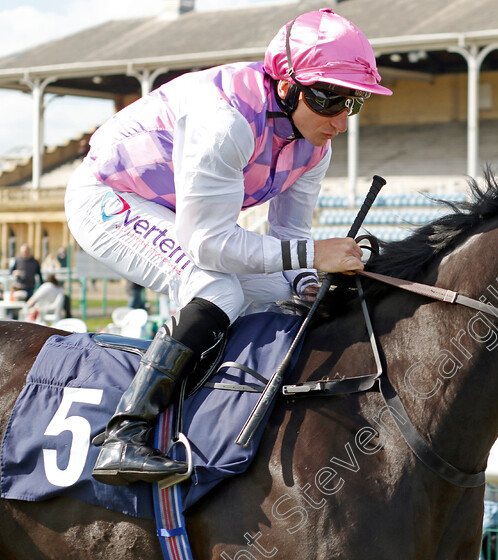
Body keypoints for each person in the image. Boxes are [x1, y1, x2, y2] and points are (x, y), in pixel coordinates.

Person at [64, 8, 391, 486]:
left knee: (285, 296)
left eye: (352, 103)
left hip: (181, 214)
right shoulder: (226, 121)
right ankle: (125, 435)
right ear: (286, 86)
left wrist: (307, 282)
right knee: (217, 289)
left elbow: (289, 235)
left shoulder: (315, 145)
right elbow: (209, 243)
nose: (340, 121)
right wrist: (313, 257)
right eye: (328, 100)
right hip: (109, 197)